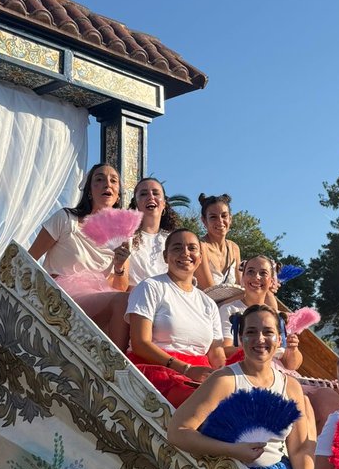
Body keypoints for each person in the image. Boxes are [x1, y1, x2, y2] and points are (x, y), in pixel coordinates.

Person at [166, 304, 314, 469]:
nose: (260, 339)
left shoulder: (291, 386)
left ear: (279, 339)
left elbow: (298, 448)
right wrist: (232, 450)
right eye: (251, 332)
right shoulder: (224, 380)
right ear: (240, 338)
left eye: (268, 332)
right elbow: (177, 431)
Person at [221, 256, 339, 433]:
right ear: (243, 276)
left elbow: (292, 363)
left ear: (271, 280)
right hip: (253, 371)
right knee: (303, 402)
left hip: (286, 373)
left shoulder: (278, 316)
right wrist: (260, 346)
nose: (256, 278)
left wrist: (292, 348)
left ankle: (317, 455)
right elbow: (224, 350)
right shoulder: (229, 310)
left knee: (329, 400)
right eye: (251, 272)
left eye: (263, 273)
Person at [28, 163, 130, 351]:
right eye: (99, 179)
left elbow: (120, 288)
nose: (107, 184)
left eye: (113, 181)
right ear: (90, 190)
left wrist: (119, 265)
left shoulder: (122, 236)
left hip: (97, 297)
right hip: (59, 296)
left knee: (131, 300)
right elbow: (29, 259)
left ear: (117, 194)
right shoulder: (66, 218)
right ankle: (116, 370)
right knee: (122, 301)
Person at [126, 229, 226, 406]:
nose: (185, 253)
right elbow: (140, 343)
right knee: (204, 403)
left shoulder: (209, 304)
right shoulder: (150, 287)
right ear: (166, 256)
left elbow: (216, 354)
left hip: (199, 376)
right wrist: (186, 369)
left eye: (192, 248)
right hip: (160, 372)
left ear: (200, 258)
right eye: (177, 248)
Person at [126, 177, 180, 288]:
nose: (151, 197)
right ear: (136, 204)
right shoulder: (126, 238)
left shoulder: (174, 239)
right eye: (143, 194)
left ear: (164, 203)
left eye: (155, 193)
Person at [194, 193, 242, 301]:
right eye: (213, 217)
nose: (220, 221)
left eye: (224, 216)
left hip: (233, 309)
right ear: (204, 221)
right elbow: (211, 292)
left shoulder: (234, 248)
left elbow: (242, 286)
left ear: (230, 218)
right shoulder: (200, 246)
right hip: (207, 309)